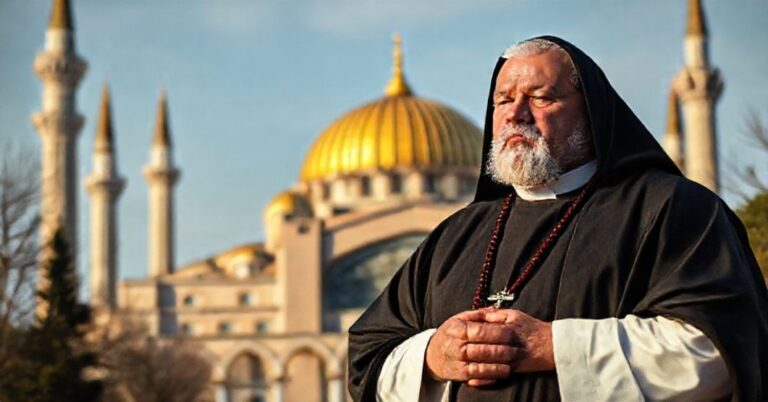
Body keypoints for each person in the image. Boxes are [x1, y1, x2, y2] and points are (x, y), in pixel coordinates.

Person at [347, 36, 768, 401]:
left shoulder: (670, 210)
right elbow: (368, 357)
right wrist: (434, 355)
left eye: (541, 97)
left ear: (593, 112)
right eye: (504, 100)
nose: (516, 114)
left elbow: (723, 349)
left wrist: (554, 347)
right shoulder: (456, 236)